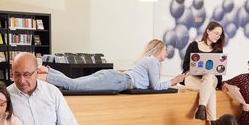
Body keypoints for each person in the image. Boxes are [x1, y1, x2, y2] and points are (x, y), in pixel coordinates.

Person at [37, 39, 185, 91]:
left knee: (72, 82)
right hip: (119, 80)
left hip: (115, 77)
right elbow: (156, 86)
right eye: (165, 49)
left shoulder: (147, 60)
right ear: (159, 49)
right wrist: (174, 81)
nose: (167, 52)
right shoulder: (152, 61)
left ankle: (46, 70)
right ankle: (39, 76)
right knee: (73, 85)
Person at [181, 21, 226, 125]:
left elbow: (218, 70)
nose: (218, 36)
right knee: (209, 89)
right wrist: (197, 71)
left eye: (219, 35)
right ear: (208, 31)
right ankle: (213, 123)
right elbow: (186, 66)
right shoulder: (193, 45)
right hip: (193, 78)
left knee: (209, 75)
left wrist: (221, 85)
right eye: (216, 33)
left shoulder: (218, 49)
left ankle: (202, 107)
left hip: (211, 79)